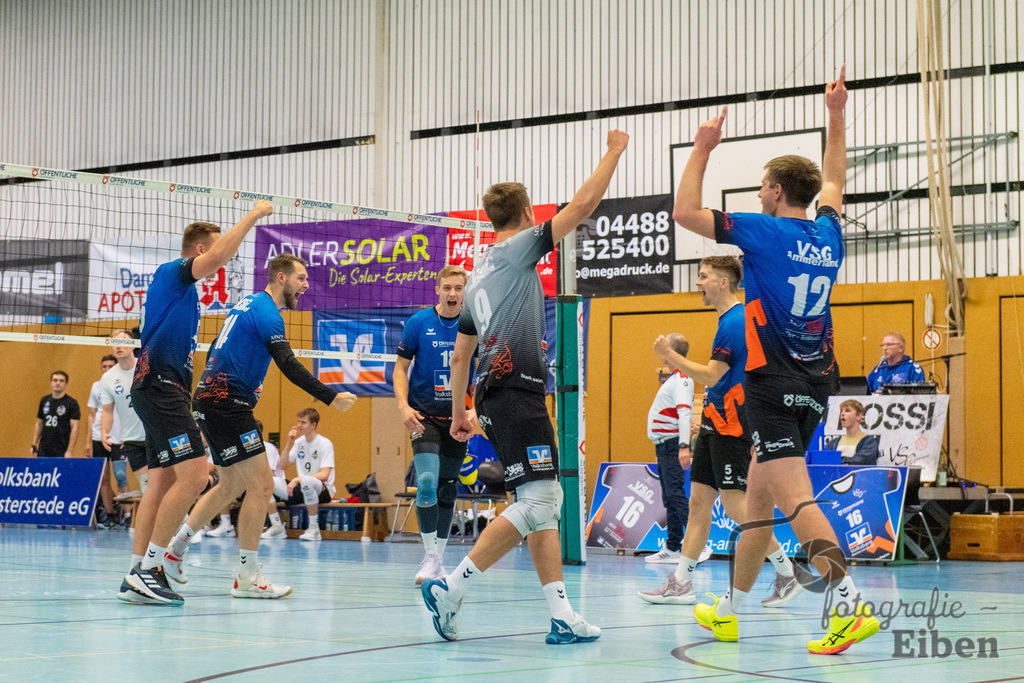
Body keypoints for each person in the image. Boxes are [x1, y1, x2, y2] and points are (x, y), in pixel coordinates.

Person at [672, 66, 880, 655]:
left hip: (772, 381)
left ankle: (848, 604)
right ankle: (731, 610)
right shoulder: (828, 232)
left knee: (794, 498)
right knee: (759, 498)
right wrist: (835, 115)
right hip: (819, 379)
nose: (759, 191)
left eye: (763, 184)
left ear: (776, 193)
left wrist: (702, 148)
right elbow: (835, 178)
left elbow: (685, 212)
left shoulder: (763, 232)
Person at [421, 129, 630, 644]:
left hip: (496, 394)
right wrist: (613, 151)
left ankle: (561, 615)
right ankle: (450, 586)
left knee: (541, 504)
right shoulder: (516, 251)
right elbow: (582, 205)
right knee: (540, 503)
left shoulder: (477, 274)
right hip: (516, 388)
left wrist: (459, 411)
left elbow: (461, 351)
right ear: (524, 215)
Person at [160, 252, 355, 599]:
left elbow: (220, 353)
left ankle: (174, 551)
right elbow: (288, 364)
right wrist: (329, 396)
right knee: (263, 485)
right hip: (227, 404)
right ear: (280, 278)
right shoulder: (267, 313)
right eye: (301, 279)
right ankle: (248, 578)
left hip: (209, 399)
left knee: (228, 484)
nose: (306, 286)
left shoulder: (245, 305)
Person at [118, 200, 275, 606]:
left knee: (163, 483)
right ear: (202, 250)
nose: (222, 259)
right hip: (160, 386)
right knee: (196, 475)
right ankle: (152, 567)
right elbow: (222, 253)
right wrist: (255, 214)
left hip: (158, 388)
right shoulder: (174, 273)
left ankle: (136, 570)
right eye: (216, 249)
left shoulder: (182, 293)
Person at [637, 256, 799, 608]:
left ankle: (787, 572)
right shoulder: (728, 320)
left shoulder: (736, 322)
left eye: (704, 276)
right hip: (713, 422)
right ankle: (680, 583)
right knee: (698, 503)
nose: (698, 282)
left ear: (723, 282)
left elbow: (711, 375)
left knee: (736, 506)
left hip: (732, 426)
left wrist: (669, 355)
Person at [394, 264, 474, 585]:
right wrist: (402, 406)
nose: (452, 293)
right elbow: (400, 369)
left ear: (464, 291)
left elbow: (481, 372)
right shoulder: (418, 323)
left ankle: (438, 558)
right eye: (447, 288)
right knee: (426, 481)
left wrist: (474, 410)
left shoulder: (473, 324)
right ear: (437, 289)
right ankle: (429, 556)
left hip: (458, 418)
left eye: (458, 288)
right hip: (423, 416)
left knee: (447, 486)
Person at [642, 334, 692, 564]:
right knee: (669, 498)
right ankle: (673, 548)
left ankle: (696, 546)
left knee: (676, 495)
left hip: (672, 445)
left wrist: (684, 446)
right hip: (663, 446)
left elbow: (684, 412)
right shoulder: (673, 378)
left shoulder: (682, 377)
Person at [100, 331, 150, 528]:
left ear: (133, 345)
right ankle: (152, 532)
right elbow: (107, 411)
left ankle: (177, 523)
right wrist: (105, 431)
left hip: (154, 435)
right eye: (115, 342)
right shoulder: (108, 378)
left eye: (123, 342)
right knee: (147, 486)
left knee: (160, 485)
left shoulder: (147, 367)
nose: (118, 346)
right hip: (132, 439)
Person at [282, 407, 338, 541]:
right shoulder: (298, 442)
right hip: (303, 488)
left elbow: (324, 474)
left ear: (313, 425)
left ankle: (314, 529)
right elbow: (282, 465)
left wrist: (298, 479)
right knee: (271, 482)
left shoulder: (325, 443)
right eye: (298, 422)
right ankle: (277, 526)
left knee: (307, 482)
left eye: (303, 422)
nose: (299, 426)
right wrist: (290, 442)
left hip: (323, 490)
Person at [87, 354, 121, 527]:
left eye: (110, 366)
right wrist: (88, 441)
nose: (107, 369)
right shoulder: (96, 386)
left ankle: (127, 516)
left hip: (119, 437)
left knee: (121, 477)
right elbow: (91, 415)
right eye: (104, 366)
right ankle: (109, 516)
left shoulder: (122, 382)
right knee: (104, 479)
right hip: (98, 437)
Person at [32, 370, 80, 458]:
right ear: (51, 383)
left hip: (61, 450)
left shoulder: (71, 403)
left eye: (61, 381)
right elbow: (39, 423)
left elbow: (75, 429)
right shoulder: (44, 400)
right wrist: (34, 445)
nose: (58, 383)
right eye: (55, 380)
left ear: (66, 383)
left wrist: (69, 451)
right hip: (44, 449)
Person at [823, 399, 880, 465]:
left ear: (858, 416)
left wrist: (835, 460)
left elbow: (858, 461)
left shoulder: (869, 443)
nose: (842, 413)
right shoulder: (832, 443)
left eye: (847, 410)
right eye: (841, 411)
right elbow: (825, 461)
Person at [261, 420, 288, 539]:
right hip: (259, 485)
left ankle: (277, 525)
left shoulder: (268, 448)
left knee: (264, 483)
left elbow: (270, 475)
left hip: (280, 488)